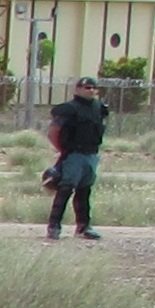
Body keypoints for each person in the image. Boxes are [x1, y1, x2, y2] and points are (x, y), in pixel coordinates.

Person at [50, 76, 109, 242]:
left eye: (93, 87)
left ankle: (84, 227)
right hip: (73, 155)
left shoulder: (98, 108)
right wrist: (63, 150)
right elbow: (54, 131)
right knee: (65, 190)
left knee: (84, 192)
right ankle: (54, 226)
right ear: (78, 89)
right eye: (86, 87)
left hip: (91, 154)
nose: (90, 90)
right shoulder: (69, 109)